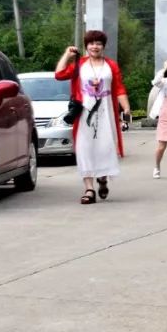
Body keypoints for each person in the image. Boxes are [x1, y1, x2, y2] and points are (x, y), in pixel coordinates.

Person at [55, 30, 131, 205]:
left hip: (106, 114)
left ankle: (102, 178)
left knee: (104, 148)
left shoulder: (111, 65)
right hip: (84, 115)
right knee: (85, 148)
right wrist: (67, 55)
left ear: (103, 46)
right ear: (86, 46)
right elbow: (59, 75)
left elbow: (119, 88)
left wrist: (126, 108)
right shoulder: (79, 64)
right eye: (91, 43)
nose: (95, 46)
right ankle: (89, 189)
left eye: (98, 43)